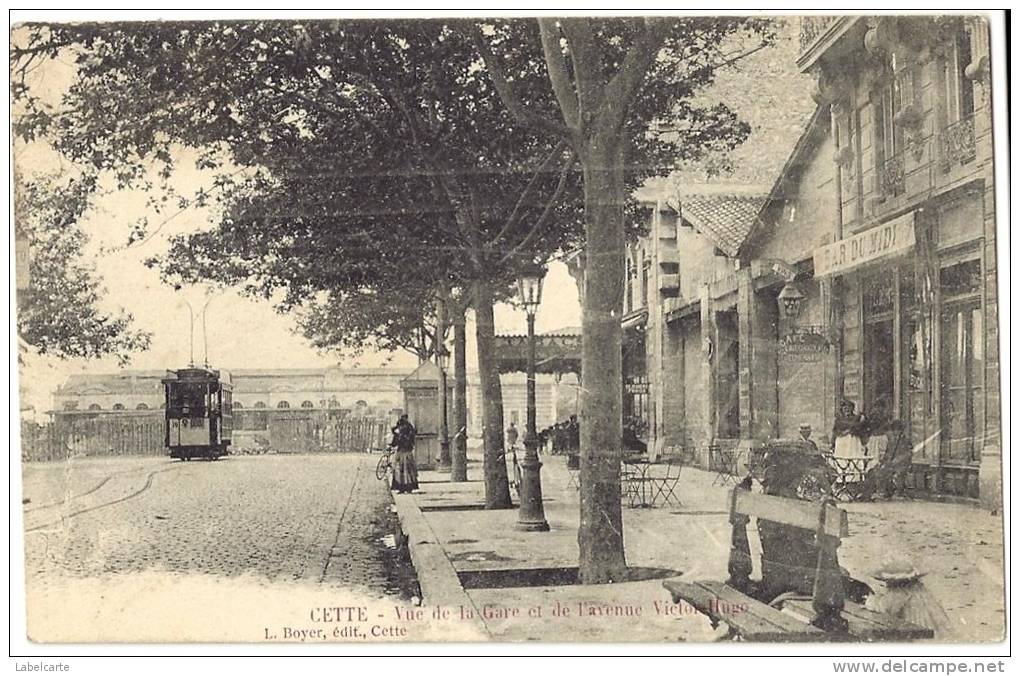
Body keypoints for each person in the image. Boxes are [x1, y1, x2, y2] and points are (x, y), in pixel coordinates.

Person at [389, 414, 418, 494]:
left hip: (402, 451)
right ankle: (409, 487)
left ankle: (401, 487)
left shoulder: (401, 431)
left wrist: (393, 444)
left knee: (400, 469)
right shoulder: (410, 428)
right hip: (407, 451)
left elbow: (396, 441)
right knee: (408, 469)